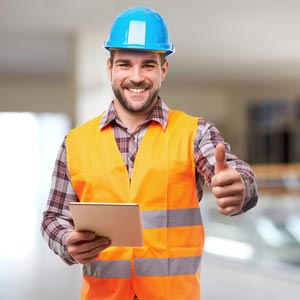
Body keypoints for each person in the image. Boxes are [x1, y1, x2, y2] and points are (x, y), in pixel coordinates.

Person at [41, 6, 258, 300]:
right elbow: (54, 216)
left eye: (148, 65)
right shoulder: (75, 142)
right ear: (109, 68)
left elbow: (230, 171)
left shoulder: (195, 133)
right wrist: (67, 241)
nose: (136, 76)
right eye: (125, 64)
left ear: (163, 70)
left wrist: (240, 185)